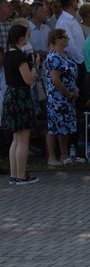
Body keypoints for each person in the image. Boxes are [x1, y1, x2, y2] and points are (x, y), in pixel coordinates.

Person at [3, 24, 41, 184]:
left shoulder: (8, 54)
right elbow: (28, 79)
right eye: (26, 35)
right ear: (21, 38)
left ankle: (15, 175)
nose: (28, 37)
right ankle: (21, 175)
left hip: (11, 94)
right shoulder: (19, 56)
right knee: (23, 138)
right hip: (20, 96)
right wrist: (35, 65)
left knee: (16, 138)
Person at [44, 28, 82, 166]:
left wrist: (75, 90)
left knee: (65, 127)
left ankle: (64, 155)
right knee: (54, 127)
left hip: (69, 98)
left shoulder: (66, 55)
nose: (68, 39)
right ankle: (52, 157)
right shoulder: (53, 57)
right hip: (57, 99)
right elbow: (56, 80)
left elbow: (72, 75)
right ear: (57, 40)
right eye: (65, 37)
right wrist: (67, 93)